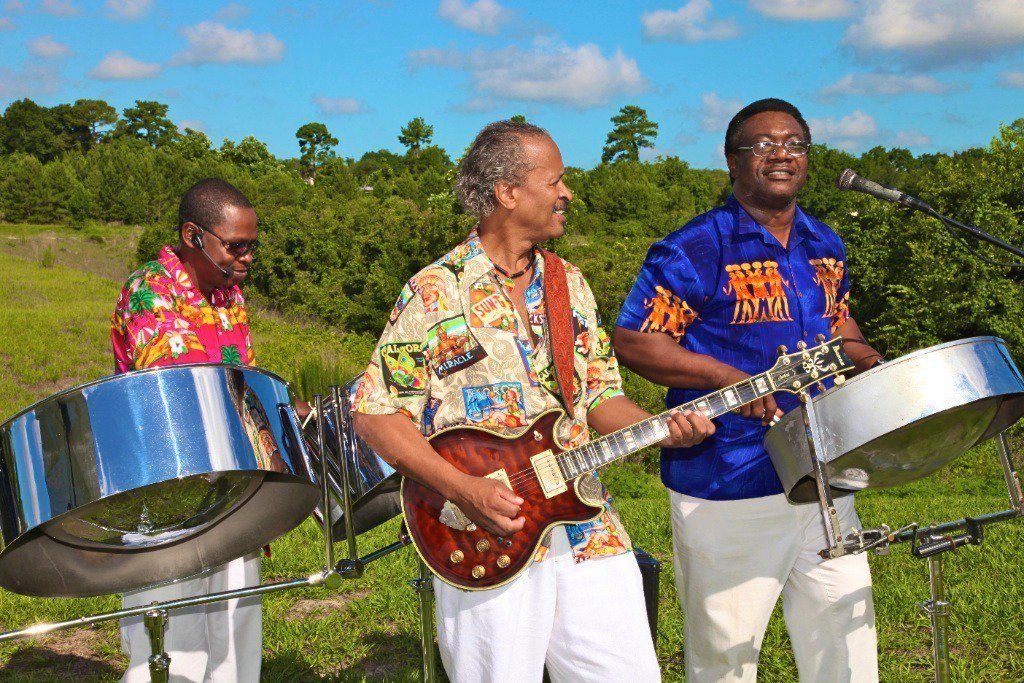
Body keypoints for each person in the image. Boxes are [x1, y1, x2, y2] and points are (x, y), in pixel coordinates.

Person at [352, 120, 715, 682]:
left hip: (586, 522)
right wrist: (463, 489)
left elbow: (599, 396)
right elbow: (376, 414)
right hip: (483, 530)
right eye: (555, 181)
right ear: (508, 193)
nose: (567, 193)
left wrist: (663, 426)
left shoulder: (570, 283)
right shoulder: (434, 290)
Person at [613, 98, 883, 682]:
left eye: (794, 144)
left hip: (824, 474)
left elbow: (838, 321)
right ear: (732, 161)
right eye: (763, 144)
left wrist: (872, 362)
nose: (781, 153)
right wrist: (726, 378)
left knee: (846, 648)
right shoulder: (694, 248)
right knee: (726, 659)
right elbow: (635, 341)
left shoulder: (824, 242)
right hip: (729, 480)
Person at [110, 178, 262, 682]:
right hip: (168, 495)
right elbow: (184, 393)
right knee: (174, 648)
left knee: (237, 637)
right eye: (235, 246)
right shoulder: (149, 290)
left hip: (229, 486)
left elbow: (239, 385)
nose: (246, 258)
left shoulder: (230, 296)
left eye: (252, 246)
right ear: (193, 235)